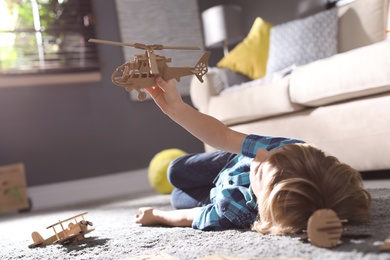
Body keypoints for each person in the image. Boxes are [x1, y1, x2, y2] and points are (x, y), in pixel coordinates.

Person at [134, 76, 371, 234]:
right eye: (267, 157)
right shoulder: (279, 151)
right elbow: (224, 137)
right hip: (230, 163)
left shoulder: (235, 213)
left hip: (217, 197)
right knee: (175, 171)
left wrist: (157, 215)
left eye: (259, 171)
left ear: (263, 201)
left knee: (177, 200)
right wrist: (177, 109)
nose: (259, 157)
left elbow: (192, 216)